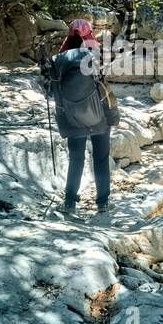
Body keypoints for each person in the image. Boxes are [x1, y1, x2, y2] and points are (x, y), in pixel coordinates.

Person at [42, 19, 118, 215]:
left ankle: (69, 202)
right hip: (98, 118)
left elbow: (50, 90)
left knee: (76, 160)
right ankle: (102, 203)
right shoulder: (96, 55)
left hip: (72, 119)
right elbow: (104, 84)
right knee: (100, 159)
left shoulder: (57, 59)